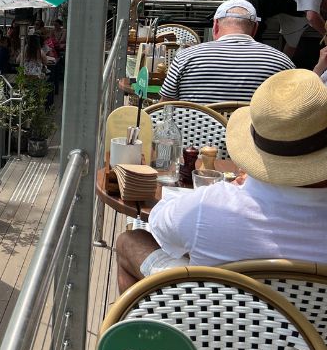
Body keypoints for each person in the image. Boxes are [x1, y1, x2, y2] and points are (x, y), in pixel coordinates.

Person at [115, 69, 327, 292]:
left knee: (131, 240)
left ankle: (144, 322)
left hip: (209, 314)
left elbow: (159, 223)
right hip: (311, 325)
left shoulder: (210, 205)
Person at [159, 0, 294, 104]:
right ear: (255, 29)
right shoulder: (281, 61)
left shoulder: (185, 57)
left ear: (216, 25)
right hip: (252, 139)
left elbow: (166, 106)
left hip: (194, 138)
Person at [244, 0, 327, 57]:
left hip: (272, 7)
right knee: (252, 36)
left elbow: (291, 45)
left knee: (255, 36)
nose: (323, 10)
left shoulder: (301, 15)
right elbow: (312, 17)